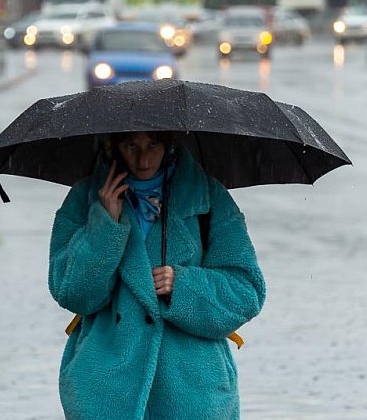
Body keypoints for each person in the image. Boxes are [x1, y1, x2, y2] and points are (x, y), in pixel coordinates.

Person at [48, 131, 266, 419]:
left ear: (170, 143)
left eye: (153, 144)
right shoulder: (86, 198)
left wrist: (183, 285)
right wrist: (105, 224)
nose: (143, 159)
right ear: (114, 146)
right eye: (131, 145)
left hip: (192, 392)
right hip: (106, 390)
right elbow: (72, 293)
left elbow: (246, 292)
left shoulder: (208, 199)